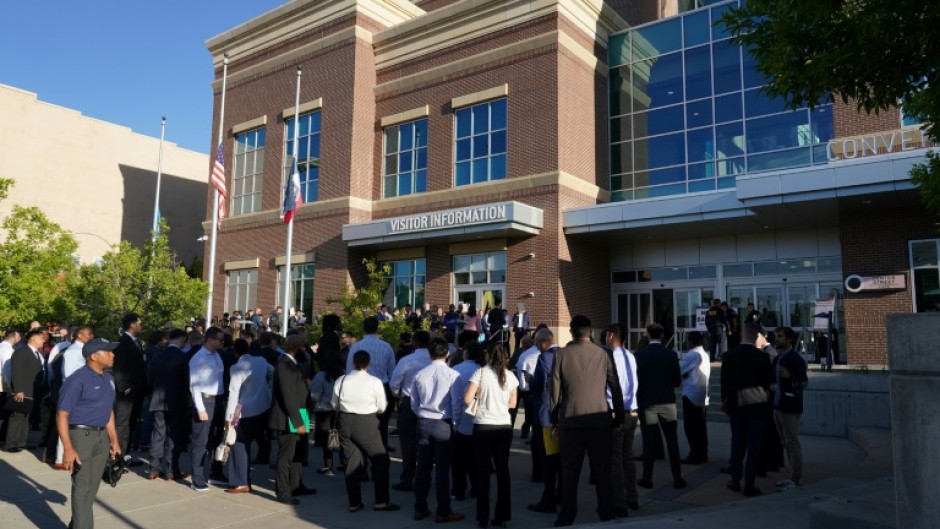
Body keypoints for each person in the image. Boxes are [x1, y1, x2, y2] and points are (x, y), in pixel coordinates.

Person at [549, 316, 624, 526]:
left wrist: (553, 418)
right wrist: (619, 415)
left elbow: (554, 391)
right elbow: (615, 386)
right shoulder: (604, 353)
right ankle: (607, 512)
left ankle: (567, 515)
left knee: (570, 471)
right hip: (600, 420)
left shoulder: (561, 354)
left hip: (570, 421)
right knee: (602, 471)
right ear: (590, 331)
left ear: (572, 332)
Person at [56, 338, 121, 529]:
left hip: (101, 437)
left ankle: (77, 525)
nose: (113, 354)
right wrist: (68, 448)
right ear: (94, 356)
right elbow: (61, 415)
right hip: (81, 438)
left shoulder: (108, 378)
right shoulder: (77, 380)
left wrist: (114, 441)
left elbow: (108, 411)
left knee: (92, 490)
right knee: (82, 489)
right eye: (108, 351)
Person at [333, 350, 399, 512]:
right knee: (381, 460)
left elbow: (334, 404)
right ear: (368, 364)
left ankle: (354, 502)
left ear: (353, 363)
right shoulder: (375, 382)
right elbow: (382, 407)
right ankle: (381, 501)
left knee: (351, 463)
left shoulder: (341, 380)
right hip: (366, 422)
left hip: (345, 421)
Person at [464, 343, 517, 529]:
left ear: (488, 355)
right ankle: (502, 515)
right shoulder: (510, 376)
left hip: (483, 425)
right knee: (503, 470)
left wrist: (479, 394)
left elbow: (467, 399)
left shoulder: (480, 373)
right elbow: (512, 403)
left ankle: (483, 517)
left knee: (482, 471)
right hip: (504, 425)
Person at [411, 337, 464, 523]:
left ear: (429, 353)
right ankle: (443, 510)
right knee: (442, 470)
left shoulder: (420, 374)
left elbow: (414, 403)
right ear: (447, 354)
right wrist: (456, 424)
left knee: (423, 468)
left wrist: (421, 414)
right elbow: (457, 404)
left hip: (424, 421)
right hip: (443, 422)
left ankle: (420, 507)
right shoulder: (452, 375)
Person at [721, 321, 775, 497]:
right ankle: (749, 484)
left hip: (737, 406)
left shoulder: (729, 356)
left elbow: (724, 385)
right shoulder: (762, 357)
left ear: (743, 335)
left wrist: (727, 403)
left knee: (737, 443)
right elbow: (769, 384)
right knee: (754, 446)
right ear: (756, 337)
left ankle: (735, 479)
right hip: (758, 406)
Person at [634, 322, 685, 490]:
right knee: (672, 441)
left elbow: (636, 382)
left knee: (648, 443)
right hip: (667, 402)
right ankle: (677, 477)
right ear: (662, 336)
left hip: (647, 402)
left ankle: (647, 478)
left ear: (648, 335)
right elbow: (677, 382)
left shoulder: (639, 355)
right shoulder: (671, 355)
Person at [269, 334, 315, 504]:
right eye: (303, 347)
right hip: (289, 417)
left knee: (299, 453)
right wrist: (298, 422)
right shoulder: (285, 365)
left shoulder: (292, 364)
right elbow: (288, 396)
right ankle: (283, 491)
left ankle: (296, 485)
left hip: (299, 413)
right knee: (286, 455)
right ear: (296, 348)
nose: (306, 351)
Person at [225, 337, 274, 494]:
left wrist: (229, 417)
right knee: (255, 440)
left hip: (244, 410)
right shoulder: (260, 361)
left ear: (235, 352)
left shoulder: (236, 368)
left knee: (238, 444)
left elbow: (233, 394)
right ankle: (244, 479)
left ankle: (241, 481)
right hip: (263, 407)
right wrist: (268, 390)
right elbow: (272, 371)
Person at [389, 330, 433, 491]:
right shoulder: (434, 361)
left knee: (408, 444)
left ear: (414, 342)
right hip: (428, 404)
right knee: (426, 444)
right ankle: (424, 478)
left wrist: (399, 395)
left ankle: (407, 478)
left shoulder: (407, 360)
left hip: (408, 402)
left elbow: (394, 383)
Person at [147, 329, 192, 481]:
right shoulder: (183, 358)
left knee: (158, 434)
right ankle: (171, 470)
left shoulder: (157, 356)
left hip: (158, 399)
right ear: (181, 339)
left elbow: (150, 378)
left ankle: (153, 469)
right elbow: (187, 382)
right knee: (174, 435)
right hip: (177, 401)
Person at [345, 317, 396, 449]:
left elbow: (349, 370)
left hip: (359, 385)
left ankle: (360, 446)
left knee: (360, 418)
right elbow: (392, 372)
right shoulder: (386, 346)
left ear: (364, 328)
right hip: (382, 384)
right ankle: (382, 445)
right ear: (377, 328)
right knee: (382, 421)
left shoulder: (356, 346)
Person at [605, 324, 639, 516]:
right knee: (628, 457)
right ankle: (632, 496)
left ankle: (619, 502)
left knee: (615, 459)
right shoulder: (631, 357)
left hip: (615, 413)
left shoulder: (609, 357)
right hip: (632, 412)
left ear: (610, 336)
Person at [527, 328, 560, 514]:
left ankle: (548, 499)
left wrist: (530, 380)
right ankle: (561, 493)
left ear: (544, 341)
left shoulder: (545, 358)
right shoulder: (564, 354)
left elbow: (538, 385)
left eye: (537, 342)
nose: (536, 346)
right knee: (560, 458)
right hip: (562, 415)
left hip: (546, 416)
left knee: (547, 459)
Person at [188, 326, 225, 492]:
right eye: (220, 340)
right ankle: (197, 478)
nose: (222, 342)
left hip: (218, 400)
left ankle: (211, 472)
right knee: (200, 441)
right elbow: (194, 385)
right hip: (205, 399)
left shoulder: (217, 355)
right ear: (210, 340)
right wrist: (200, 407)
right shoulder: (198, 358)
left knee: (215, 439)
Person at [771, 326, 808, 492]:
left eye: (780, 336)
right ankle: (791, 475)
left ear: (789, 339)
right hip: (778, 406)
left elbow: (803, 383)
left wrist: (790, 377)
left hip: (790, 407)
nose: (777, 339)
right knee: (785, 442)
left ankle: (796, 478)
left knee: (792, 442)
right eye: (775, 336)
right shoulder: (777, 359)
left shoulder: (795, 360)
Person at [5, 328, 47, 452]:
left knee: (27, 418)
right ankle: (11, 443)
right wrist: (18, 390)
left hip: (34, 391)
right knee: (17, 417)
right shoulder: (21, 352)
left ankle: (22, 441)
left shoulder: (37, 353)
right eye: (41, 338)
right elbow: (16, 371)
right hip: (23, 390)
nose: (43, 341)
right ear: (33, 338)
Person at [112, 313, 147, 457]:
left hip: (136, 390)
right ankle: (117, 457)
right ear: (132, 325)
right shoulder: (123, 342)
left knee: (131, 423)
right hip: (126, 392)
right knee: (122, 425)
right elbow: (118, 366)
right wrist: (123, 387)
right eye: (140, 323)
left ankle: (125, 454)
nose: (142, 326)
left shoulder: (136, 342)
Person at [449, 339, 480, 501]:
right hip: (479, 420)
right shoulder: (482, 369)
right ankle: (476, 487)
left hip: (462, 419)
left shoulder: (456, 370)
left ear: (466, 353)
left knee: (459, 461)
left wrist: (455, 421)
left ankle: (458, 490)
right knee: (476, 459)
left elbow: (455, 401)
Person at [680, 331, 710, 464]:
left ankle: (695, 454)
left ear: (691, 341)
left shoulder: (692, 355)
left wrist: (683, 375)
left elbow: (679, 370)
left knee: (691, 427)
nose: (686, 342)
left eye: (687, 340)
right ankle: (702, 453)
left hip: (691, 393)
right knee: (700, 427)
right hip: (702, 394)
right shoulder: (705, 354)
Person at [310, 350, 343, 475]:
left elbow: (314, 396)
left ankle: (328, 465)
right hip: (340, 410)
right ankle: (344, 462)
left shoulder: (321, 376)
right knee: (340, 437)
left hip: (324, 410)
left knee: (326, 439)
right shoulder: (343, 375)